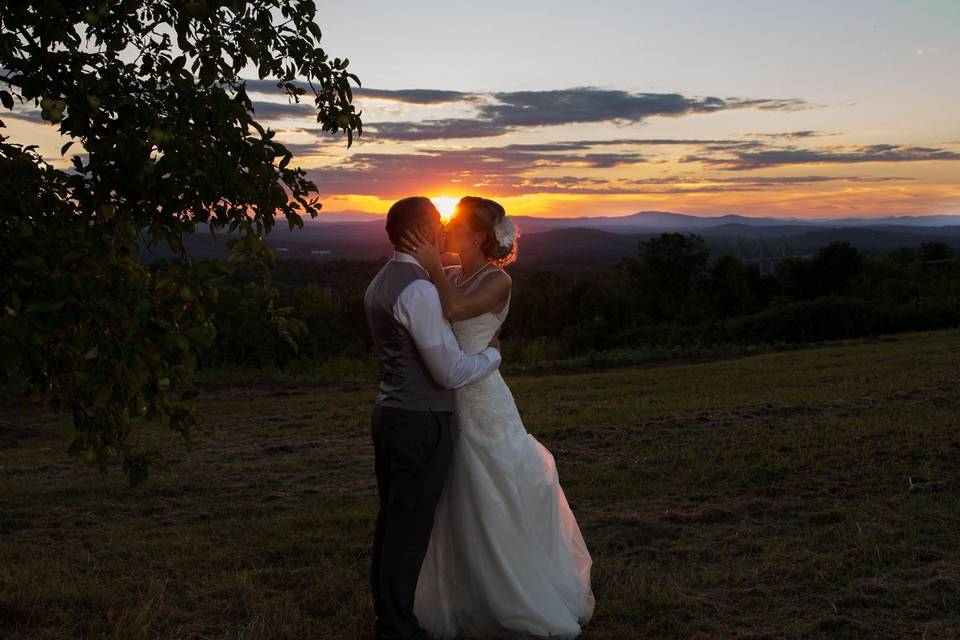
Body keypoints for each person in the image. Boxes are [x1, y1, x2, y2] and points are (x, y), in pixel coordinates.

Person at [400, 196, 595, 639]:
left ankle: (516, 594)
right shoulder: (451, 273)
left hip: (484, 401)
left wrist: (430, 264)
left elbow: (452, 310)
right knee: (456, 493)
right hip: (448, 397)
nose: (445, 229)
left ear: (478, 236)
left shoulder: (498, 281)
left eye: (454, 224)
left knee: (493, 489)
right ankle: (467, 593)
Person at [363, 196, 503, 640]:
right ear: (420, 233)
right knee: (409, 527)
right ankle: (398, 626)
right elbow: (449, 371)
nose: (445, 230)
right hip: (421, 422)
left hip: (388, 413)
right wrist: (494, 357)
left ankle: (389, 614)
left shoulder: (381, 281)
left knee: (392, 522)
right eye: (438, 224)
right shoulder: (420, 290)